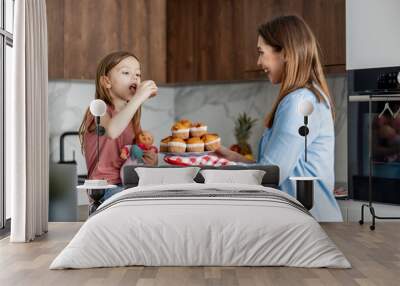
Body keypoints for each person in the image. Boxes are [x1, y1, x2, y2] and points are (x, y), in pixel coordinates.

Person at [216, 15, 342, 221]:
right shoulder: (304, 97)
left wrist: (218, 172)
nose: (258, 62)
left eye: (261, 53)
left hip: (309, 223)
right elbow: (281, 165)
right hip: (310, 220)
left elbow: (273, 175)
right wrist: (237, 159)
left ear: (285, 53)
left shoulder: (299, 102)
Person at [79, 51, 158, 202]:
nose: (135, 77)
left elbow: (135, 155)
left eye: (138, 74)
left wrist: (148, 158)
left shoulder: (132, 116)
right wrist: (139, 97)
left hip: (127, 184)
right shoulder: (97, 110)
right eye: (126, 72)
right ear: (106, 82)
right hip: (105, 188)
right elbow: (112, 131)